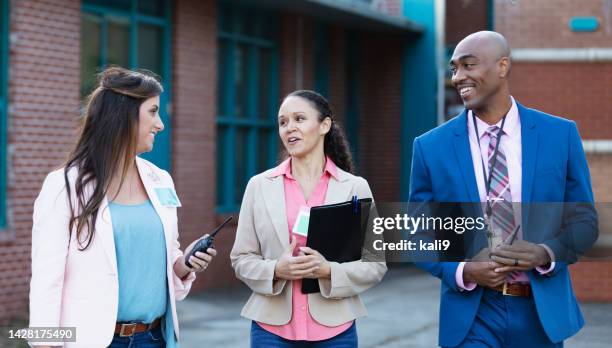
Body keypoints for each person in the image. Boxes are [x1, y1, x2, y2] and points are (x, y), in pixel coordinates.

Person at [409, 31, 597, 347]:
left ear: (503, 66)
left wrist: (546, 252)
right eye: (454, 68)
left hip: (540, 313)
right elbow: (415, 232)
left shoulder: (559, 135)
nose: (458, 77)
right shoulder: (430, 147)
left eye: (468, 65)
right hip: (472, 314)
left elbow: (585, 222)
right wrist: (462, 270)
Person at [29, 67, 216, 348]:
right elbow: (47, 279)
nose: (160, 124)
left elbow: (167, 258)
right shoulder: (63, 186)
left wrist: (183, 265)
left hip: (155, 338)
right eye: (153, 112)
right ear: (123, 116)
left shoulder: (160, 180)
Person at [230, 90, 387, 347]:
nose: (289, 128)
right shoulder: (259, 185)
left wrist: (329, 271)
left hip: (335, 330)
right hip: (271, 331)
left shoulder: (355, 188)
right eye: (283, 122)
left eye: (299, 119)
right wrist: (275, 270)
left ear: (324, 125)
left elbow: (376, 263)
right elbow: (241, 259)